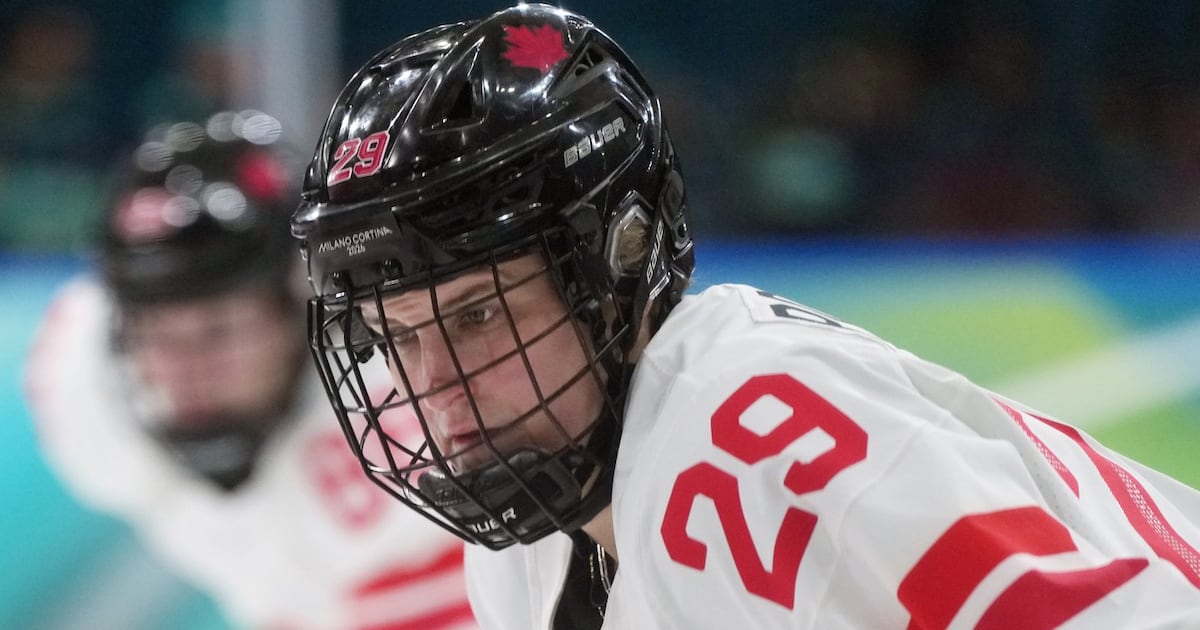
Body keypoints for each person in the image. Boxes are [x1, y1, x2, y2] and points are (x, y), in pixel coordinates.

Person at [290, 5, 1200, 628]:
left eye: (479, 315)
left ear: (618, 264)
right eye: (401, 334)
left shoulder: (748, 434)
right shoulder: (525, 555)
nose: (434, 382)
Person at [23, 111, 478, 630]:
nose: (187, 367)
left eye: (218, 330)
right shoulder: (82, 385)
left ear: (297, 306)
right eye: (156, 333)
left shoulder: (416, 390)